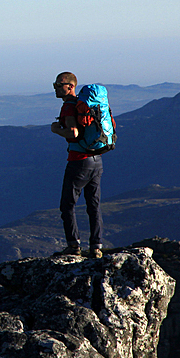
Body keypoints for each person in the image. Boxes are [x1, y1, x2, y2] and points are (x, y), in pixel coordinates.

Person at [50, 72, 103, 258]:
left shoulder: (69, 107)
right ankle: (96, 247)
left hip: (78, 161)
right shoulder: (85, 104)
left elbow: (72, 133)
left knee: (68, 205)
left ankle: (73, 246)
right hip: (96, 160)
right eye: (55, 84)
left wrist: (56, 129)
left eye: (59, 84)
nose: (56, 88)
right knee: (93, 205)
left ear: (71, 86)